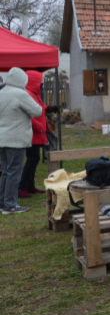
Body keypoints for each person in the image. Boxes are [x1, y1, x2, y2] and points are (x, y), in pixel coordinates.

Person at [0, 67, 43, 214]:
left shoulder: (1, 92)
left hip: (2, 139)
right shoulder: (20, 94)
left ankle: (2, 202)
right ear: (22, 80)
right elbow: (37, 111)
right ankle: (11, 204)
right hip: (15, 139)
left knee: (6, 171)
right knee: (14, 172)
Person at [19, 71, 56, 197]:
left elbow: (38, 108)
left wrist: (48, 108)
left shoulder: (34, 94)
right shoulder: (28, 94)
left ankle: (30, 186)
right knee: (32, 159)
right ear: (33, 81)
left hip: (37, 132)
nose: (41, 85)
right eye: (40, 82)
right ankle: (22, 187)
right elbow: (29, 115)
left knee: (34, 159)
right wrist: (40, 126)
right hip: (33, 132)